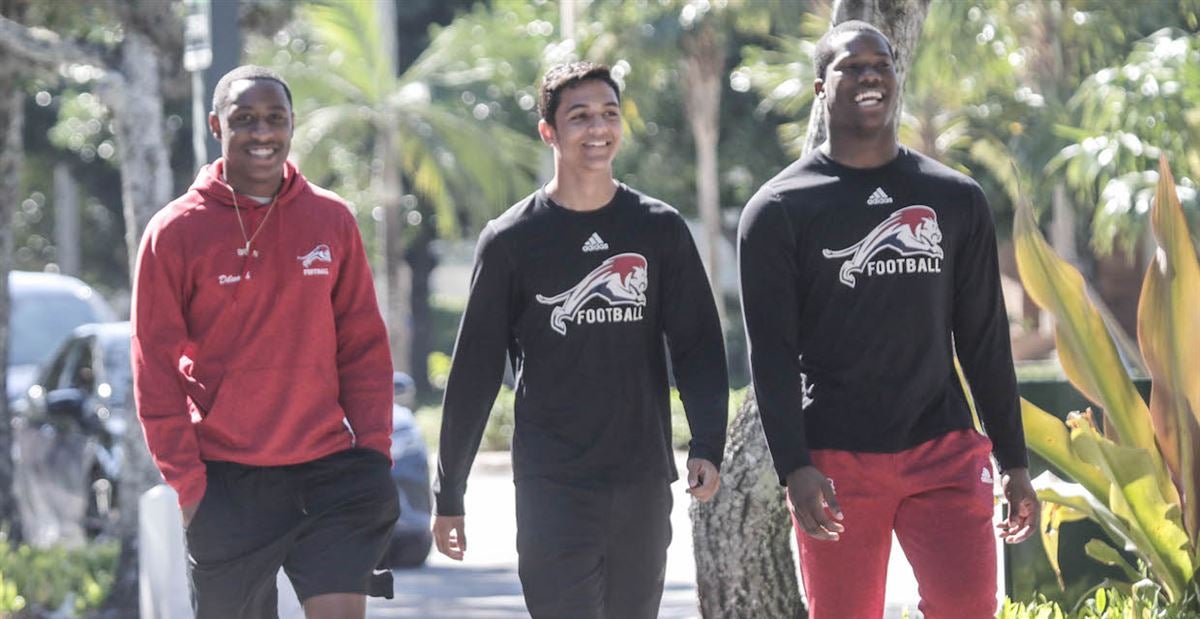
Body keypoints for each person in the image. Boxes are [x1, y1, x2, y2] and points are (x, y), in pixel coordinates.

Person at [737, 21, 1039, 619]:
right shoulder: (778, 209)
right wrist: (795, 466)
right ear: (821, 87)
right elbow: (770, 356)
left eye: (882, 63)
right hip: (837, 460)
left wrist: (1014, 460)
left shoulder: (955, 198)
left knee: (969, 607)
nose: (870, 74)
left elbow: (983, 341)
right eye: (851, 66)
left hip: (944, 448)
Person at [432, 61, 729, 618]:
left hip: (642, 480)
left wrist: (708, 443)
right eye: (580, 117)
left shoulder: (659, 228)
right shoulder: (511, 240)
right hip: (553, 485)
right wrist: (450, 493)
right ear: (549, 131)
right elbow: (473, 373)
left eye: (609, 114)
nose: (598, 129)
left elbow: (698, 348)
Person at [131, 65, 398, 619]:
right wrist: (190, 488)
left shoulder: (330, 219)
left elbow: (363, 348)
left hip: (329, 472)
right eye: (244, 119)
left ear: (292, 126)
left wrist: (373, 450)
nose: (261, 132)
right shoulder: (175, 232)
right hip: (227, 483)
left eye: (275, 119)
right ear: (215, 125)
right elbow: (153, 368)